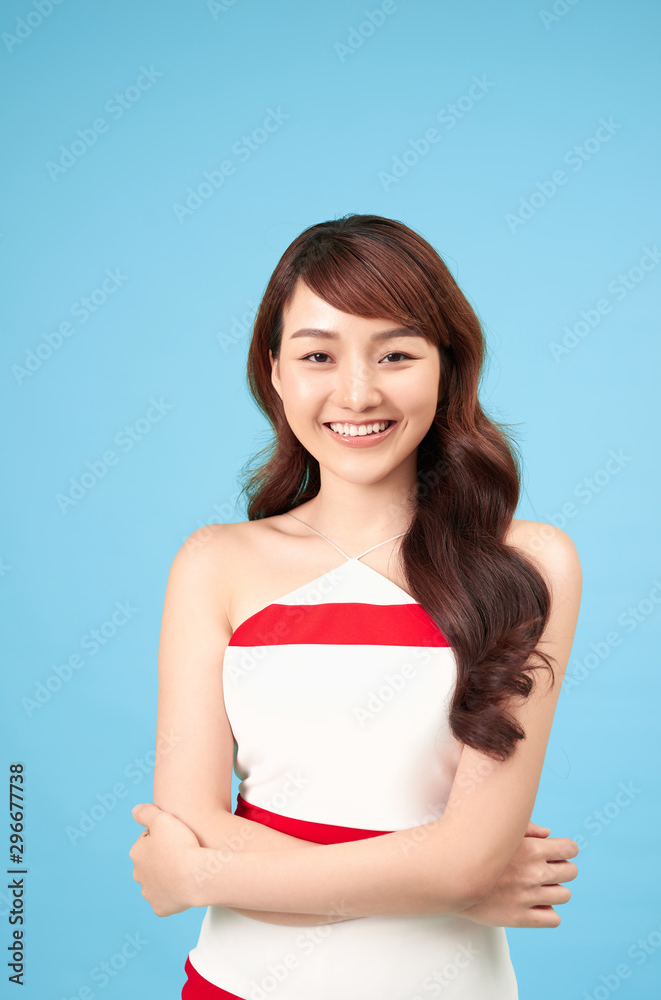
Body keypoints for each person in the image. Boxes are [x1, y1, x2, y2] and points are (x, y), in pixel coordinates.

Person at [129, 213, 582, 999]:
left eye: (396, 353)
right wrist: (447, 886)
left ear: (448, 366)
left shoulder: (527, 562)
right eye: (317, 355)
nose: (358, 392)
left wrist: (202, 876)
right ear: (274, 371)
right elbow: (191, 818)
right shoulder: (214, 564)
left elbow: (465, 858)